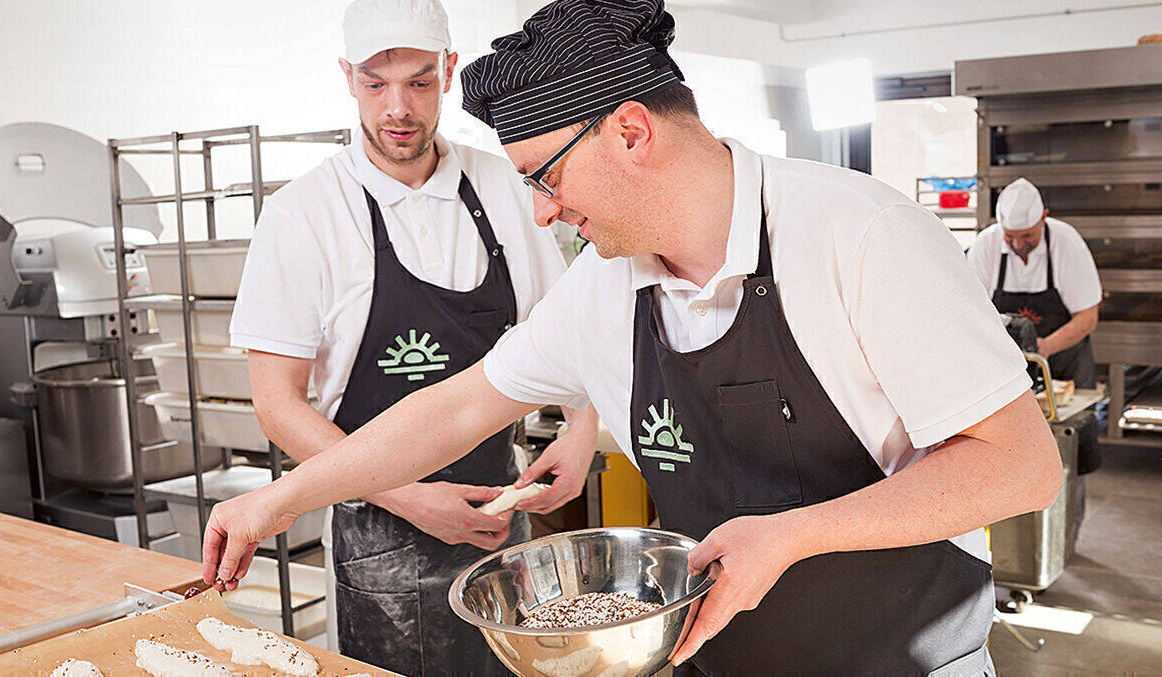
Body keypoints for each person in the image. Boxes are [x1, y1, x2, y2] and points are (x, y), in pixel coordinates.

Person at [207, 1, 1061, 674]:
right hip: (715, 658)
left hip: (898, 658)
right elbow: (455, 408)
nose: (542, 210)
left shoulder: (859, 234)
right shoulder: (606, 287)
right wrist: (274, 501)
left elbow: (1022, 465)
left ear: (630, 132)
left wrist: (793, 533)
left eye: (545, 177)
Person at [226, 0, 598, 673]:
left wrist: (579, 428)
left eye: (420, 82)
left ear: (450, 70)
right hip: (379, 535)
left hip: (497, 513)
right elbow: (277, 404)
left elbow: (567, 329)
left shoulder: (506, 185)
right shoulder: (302, 213)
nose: (398, 107)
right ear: (347, 77)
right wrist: (402, 491)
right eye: (376, 83)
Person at [967, 177, 1102, 475]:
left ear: (1044, 217)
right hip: (1008, 368)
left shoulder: (1067, 244)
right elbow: (969, 313)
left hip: (1066, 364)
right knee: (1011, 458)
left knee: (1070, 455)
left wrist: (1043, 348)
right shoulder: (986, 246)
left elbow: (1088, 317)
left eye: (1026, 235)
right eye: (1010, 237)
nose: (1018, 244)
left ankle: (1068, 516)